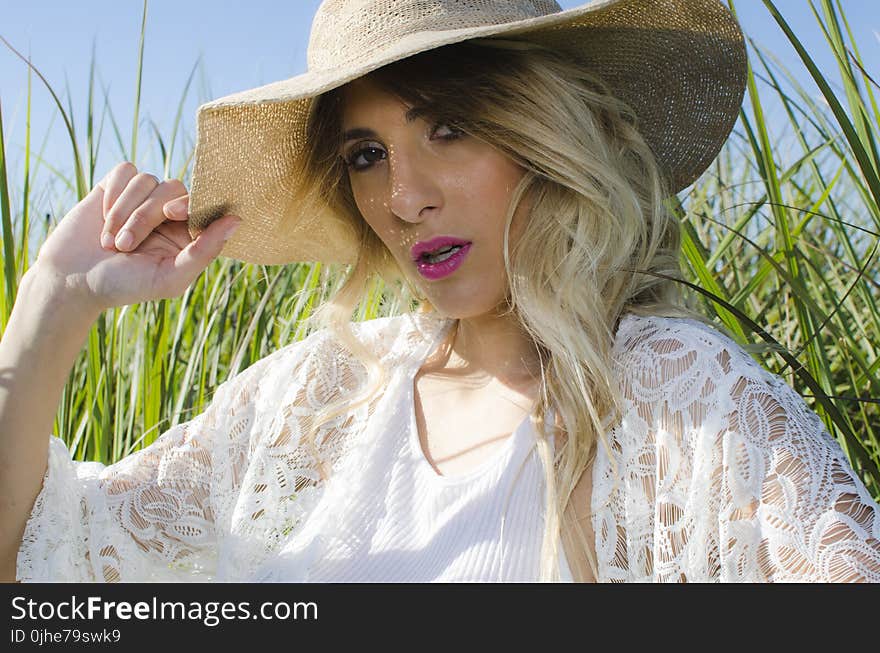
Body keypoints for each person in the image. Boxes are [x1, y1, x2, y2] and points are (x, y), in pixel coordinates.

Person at [1, 0, 879, 583]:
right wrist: (55, 302)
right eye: (366, 155)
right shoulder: (309, 401)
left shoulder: (686, 397)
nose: (403, 197)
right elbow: (40, 571)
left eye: (449, 128)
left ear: (545, 135)